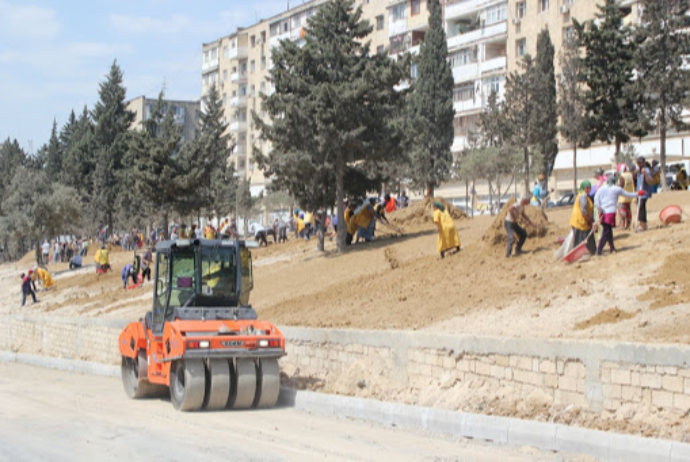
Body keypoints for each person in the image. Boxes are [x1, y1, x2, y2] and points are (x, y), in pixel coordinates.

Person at [594, 177, 642, 255]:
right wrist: (637, 193)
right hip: (610, 212)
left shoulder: (601, 189)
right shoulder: (616, 189)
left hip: (602, 212)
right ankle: (599, 249)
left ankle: (612, 248)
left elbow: (596, 200)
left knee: (608, 230)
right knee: (606, 232)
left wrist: (599, 208)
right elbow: (628, 194)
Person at [570, 180, 597, 256]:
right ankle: (578, 254)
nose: (588, 190)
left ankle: (593, 251)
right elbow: (584, 211)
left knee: (588, 237)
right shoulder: (583, 196)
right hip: (580, 221)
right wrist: (590, 220)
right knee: (581, 238)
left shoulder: (584, 195)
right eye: (587, 188)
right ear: (583, 188)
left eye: (589, 188)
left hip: (582, 220)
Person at [635, 156, 654, 231]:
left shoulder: (646, 170)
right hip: (639, 193)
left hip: (644, 193)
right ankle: (642, 223)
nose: (639, 164)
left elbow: (650, 181)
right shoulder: (639, 171)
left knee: (641, 208)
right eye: (638, 163)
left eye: (640, 163)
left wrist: (645, 174)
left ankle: (643, 225)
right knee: (640, 208)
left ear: (644, 163)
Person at [617, 164, 635, 230]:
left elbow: (621, 185)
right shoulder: (630, 175)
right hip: (629, 195)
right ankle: (628, 224)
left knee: (622, 211)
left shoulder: (622, 176)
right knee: (628, 210)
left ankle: (622, 225)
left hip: (622, 197)